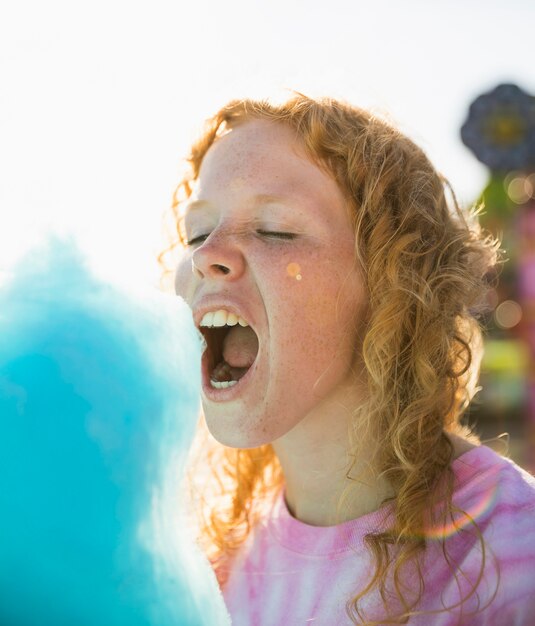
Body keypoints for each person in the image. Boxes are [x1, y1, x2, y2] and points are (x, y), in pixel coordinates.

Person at [166, 93, 535, 625]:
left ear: (393, 285)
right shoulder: (217, 560)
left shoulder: (512, 555)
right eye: (197, 233)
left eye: (275, 230)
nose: (205, 255)